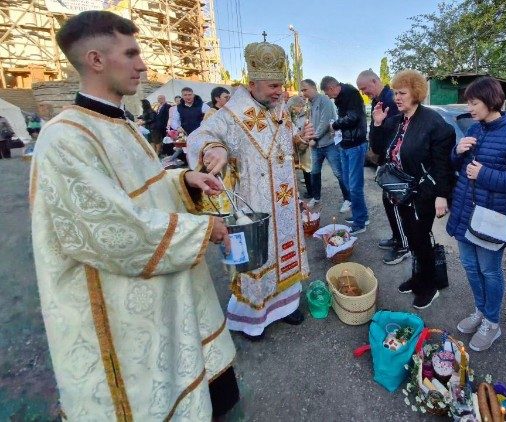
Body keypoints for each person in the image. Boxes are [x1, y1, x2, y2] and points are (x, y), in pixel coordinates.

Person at [30, 11, 238, 418]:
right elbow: (112, 228)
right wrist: (204, 229)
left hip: (160, 295)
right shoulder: (65, 139)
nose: (143, 64)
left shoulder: (119, 124)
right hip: (121, 314)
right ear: (95, 60)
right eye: (131, 53)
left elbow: (143, 191)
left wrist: (183, 181)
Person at [187, 39, 314, 340]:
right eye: (272, 86)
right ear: (252, 82)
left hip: (284, 201)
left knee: (286, 252)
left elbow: (284, 149)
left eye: (280, 86)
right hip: (252, 206)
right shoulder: (231, 114)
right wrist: (213, 148)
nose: (278, 92)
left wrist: (299, 141)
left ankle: (286, 306)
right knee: (257, 260)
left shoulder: (279, 109)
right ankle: (253, 319)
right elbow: (200, 135)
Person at [447, 76, 506, 351]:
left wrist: (485, 174)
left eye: (474, 102)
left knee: (489, 269)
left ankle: (492, 322)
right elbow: (458, 165)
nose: (470, 107)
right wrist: (457, 151)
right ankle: (480, 310)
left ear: (490, 100)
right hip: (464, 209)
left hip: (491, 216)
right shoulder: (475, 128)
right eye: (469, 102)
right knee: (470, 266)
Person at [370, 69, 455, 309]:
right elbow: (377, 150)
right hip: (399, 192)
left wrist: (441, 194)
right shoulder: (396, 120)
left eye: (402, 93)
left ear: (416, 93)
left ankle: (430, 286)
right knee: (411, 238)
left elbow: (442, 164)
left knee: (420, 239)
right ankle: (418, 278)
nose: (397, 97)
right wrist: (377, 124)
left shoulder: (433, 122)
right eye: (395, 92)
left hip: (423, 193)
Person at [357, 69, 408, 265]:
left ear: (374, 81)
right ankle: (397, 237)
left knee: (395, 202)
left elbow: (395, 133)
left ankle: (404, 245)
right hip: (386, 161)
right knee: (389, 202)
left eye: (364, 88)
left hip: (395, 163)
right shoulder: (379, 100)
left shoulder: (390, 100)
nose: (363, 92)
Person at [321, 75, 369, 233]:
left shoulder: (350, 94)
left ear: (332, 88)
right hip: (346, 144)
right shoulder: (341, 97)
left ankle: (360, 222)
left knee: (355, 186)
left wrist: (335, 125)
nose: (328, 96)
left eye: (328, 93)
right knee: (349, 183)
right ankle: (359, 215)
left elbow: (353, 118)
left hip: (355, 145)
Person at [300, 79, 350, 209]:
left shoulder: (324, 101)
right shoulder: (309, 104)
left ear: (313, 87)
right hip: (316, 147)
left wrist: (314, 138)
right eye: (302, 90)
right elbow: (310, 123)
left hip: (329, 144)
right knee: (314, 172)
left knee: (338, 172)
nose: (303, 93)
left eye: (305, 89)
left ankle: (348, 199)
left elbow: (325, 123)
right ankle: (316, 197)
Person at [288, 94, 312, 197]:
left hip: (304, 144)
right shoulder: (289, 116)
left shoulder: (305, 115)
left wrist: (304, 138)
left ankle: (312, 191)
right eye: (299, 106)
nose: (301, 108)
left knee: (308, 168)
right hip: (297, 145)